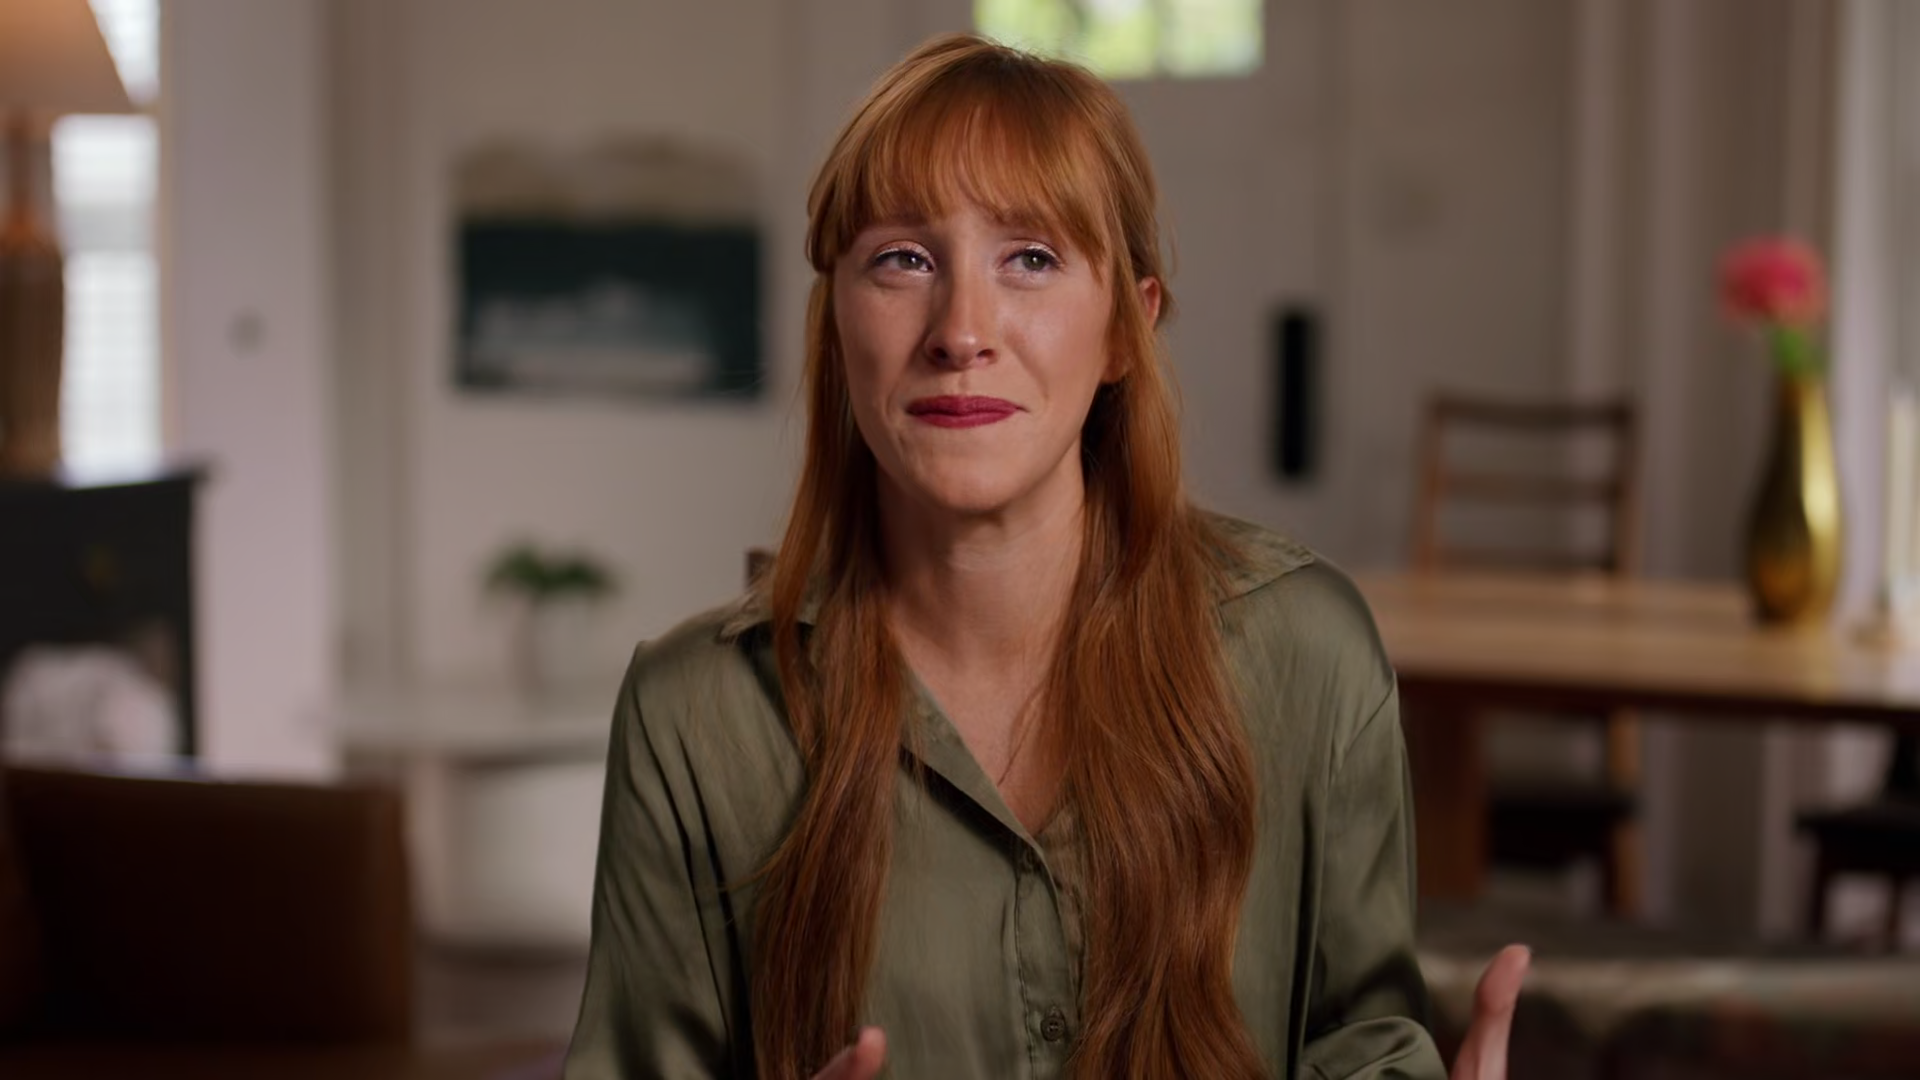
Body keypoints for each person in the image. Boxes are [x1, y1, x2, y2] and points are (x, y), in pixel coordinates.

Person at [564, 33, 1528, 1080]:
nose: (961, 331)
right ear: (836, 324)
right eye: (902, 260)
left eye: (1030, 258)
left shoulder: (1310, 651)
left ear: (1125, 330)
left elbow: (1364, 1043)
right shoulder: (691, 717)